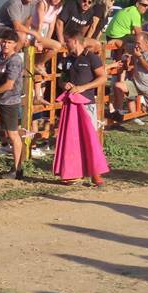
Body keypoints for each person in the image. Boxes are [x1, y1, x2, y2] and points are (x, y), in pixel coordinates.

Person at [53, 32, 108, 187]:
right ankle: (73, 172)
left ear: (75, 41)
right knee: (72, 137)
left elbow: (102, 78)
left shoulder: (91, 57)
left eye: (68, 41)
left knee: (90, 137)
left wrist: (83, 87)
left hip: (86, 102)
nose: (65, 44)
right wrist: (65, 85)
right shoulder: (67, 59)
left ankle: (96, 173)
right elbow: (61, 79)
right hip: (71, 102)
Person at [0, 30, 26, 180]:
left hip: (10, 101)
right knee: (9, 134)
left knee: (13, 135)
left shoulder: (14, 60)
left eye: (9, 42)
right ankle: (16, 167)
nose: (5, 44)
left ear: (15, 45)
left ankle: (17, 169)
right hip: (1, 99)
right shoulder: (1, 57)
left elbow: (9, 84)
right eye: (4, 41)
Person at [112, 32, 148, 148]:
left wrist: (139, 56)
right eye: (135, 42)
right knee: (118, 86)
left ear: (146, 43)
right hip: (137, 84)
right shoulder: (135, 48)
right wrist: (126, 57)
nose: (136, 45)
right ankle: (119, 111)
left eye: (138, 43)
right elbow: (120, 43)